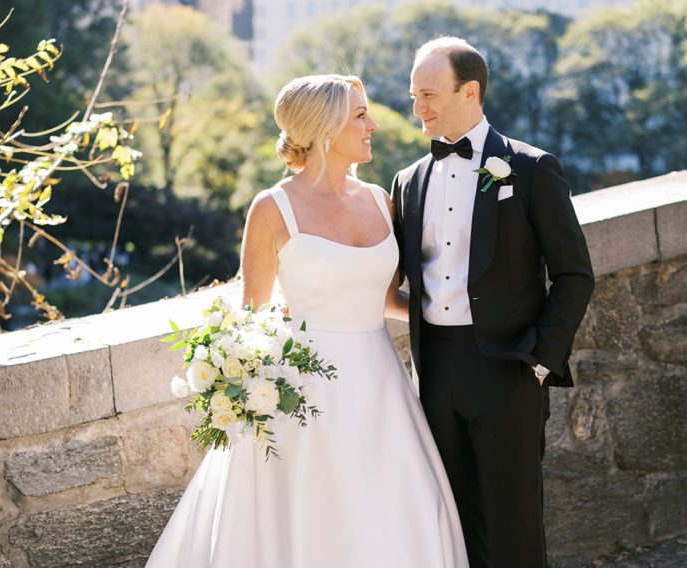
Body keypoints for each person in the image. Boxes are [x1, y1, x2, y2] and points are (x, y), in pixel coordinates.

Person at [145, 74, 469, 568]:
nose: (373, 125)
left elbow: (387, 298)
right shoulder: (272, 209)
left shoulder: (382, 200)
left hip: (382, 385)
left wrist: (462, 315)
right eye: (361, 116)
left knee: (401, 503)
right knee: (312, 516)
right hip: (304, 390)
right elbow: (249, 317)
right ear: (324, 129)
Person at [390, 38, 595, 567]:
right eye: (414, 95)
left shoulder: (531, 168)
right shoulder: (408, 181)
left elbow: (574, 274)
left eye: (429, 94)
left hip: (509, 368)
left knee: (515, 521)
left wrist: (541, 360)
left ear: (471, 91)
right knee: (454, 521)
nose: (419, 109)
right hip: (433, 370)